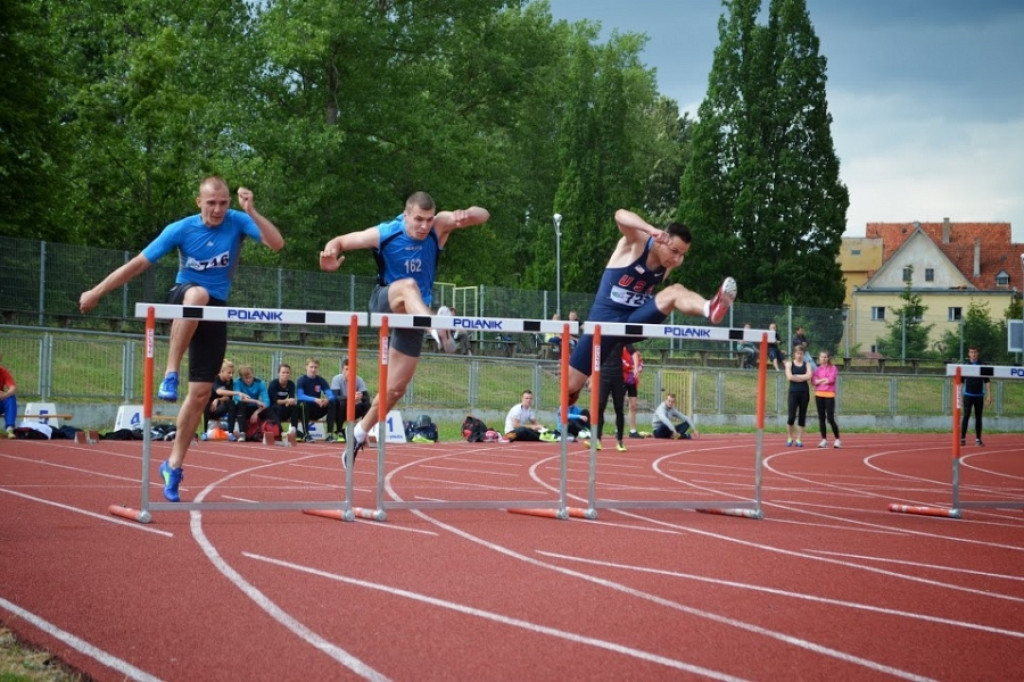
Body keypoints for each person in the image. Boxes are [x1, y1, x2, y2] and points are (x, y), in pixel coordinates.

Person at [79, 178, 284, 501]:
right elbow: (138, 264)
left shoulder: (238, 220)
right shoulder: (181, 229)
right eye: (211, 203)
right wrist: (97, 291)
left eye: (223, 203)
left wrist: (252, 211)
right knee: (198, 294)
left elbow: (277, 244)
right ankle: (170, 372)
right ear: (198, 202)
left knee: (202, 394)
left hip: (216, 310)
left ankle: (173, 465)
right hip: (184, 295)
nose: (217, 210)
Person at [319, 192, 489, 460]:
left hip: (415, 316)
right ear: (405, 215)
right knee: (408, 285)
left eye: (428, 219)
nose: (424, 226)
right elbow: (341, 241)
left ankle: (359, 435)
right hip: (386, 301)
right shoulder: (386, 232)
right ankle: (436, 329)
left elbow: (484, 215)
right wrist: (330, 252)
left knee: (395, 389)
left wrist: (465, 215)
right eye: (418, 220)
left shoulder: (439, 226)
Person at [566, 209, 736, 405]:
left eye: (682, 254)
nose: (676, 259)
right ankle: (565, 419)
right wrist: (649, 228)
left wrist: (674, 256)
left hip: (634, 321)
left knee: (675, 291)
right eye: (674, 251)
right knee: (568, 388)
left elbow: (673, 279)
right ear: (660, 239)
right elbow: (619, 215)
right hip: (603, 325)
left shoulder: (671, 263)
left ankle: (710, 307)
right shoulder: (637, 242)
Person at [596, 340, 629, 452]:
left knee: (619, 408)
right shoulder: (601, 338)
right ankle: (597, 439)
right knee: (600, 406)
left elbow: (633, 350)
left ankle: (620, 441)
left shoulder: (620, 338)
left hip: (617, 377)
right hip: (604, 376)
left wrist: (634, 368)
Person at [329, 357, 371, 440]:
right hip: (340, 410)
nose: (349, 372)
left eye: (351, 369)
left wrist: (360, 397)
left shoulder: (359, 380)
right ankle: (339, 431)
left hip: (353, 409)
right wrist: (351, 398)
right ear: (342, 370)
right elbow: (335, 397)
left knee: (367, 405)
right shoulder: (337, 379)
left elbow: (367, 398)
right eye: (346, 369)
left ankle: (364, 431)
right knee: (342, 403)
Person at [296, 357, 335, 442]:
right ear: (306, 367)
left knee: (332, 403)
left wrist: (327, 400)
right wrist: (315, 399)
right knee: (303, 404)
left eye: (315, 367)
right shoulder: (301, 380)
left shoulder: (321, 380)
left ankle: (329, 434)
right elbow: (300, 396)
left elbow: (331, 395)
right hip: (304, 411)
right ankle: (306, 435)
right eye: (311, 367)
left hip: (317, 409)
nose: (313, 370)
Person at [959, 346, 992, 446]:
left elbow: (987, 381)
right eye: (971, 352)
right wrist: (959, 396)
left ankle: (978, 439)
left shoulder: (983, 365)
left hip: (979, 395)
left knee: (978, 417)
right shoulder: (965, 365)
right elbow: (960, 381)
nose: (973, 354)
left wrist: (989, 395)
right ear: (968, 354)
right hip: (968, 395)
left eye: (975, 352)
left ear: (978, 353)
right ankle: (963, 439)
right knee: (966, 415)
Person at [812, 350, 841, 449]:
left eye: (825, 357)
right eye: (822, 357)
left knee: (830, 418)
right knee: (821, 418)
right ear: (819, 358)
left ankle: (837, 439)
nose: (823, 359)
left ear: (828, 358)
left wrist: (822, 380)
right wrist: (823, 380)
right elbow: (814, 381)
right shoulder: (817, 370)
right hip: (819, 394)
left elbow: (831, 379)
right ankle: (824, 439)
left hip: (829, 395)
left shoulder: (833, 368)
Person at [233, 364, 271, 439]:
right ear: (241, 378)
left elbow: (267, 402)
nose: (248, 380)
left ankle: (277, 432)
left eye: (250, 377)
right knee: (241, 404)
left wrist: (257, 412)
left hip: (254, 409)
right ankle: (242, 433)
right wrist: (255, 401)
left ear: (253, 374)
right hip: (242, 409)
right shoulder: (237, 382)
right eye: (245, 378)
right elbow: (238, 398)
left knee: (269, 410)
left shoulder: (260, 383)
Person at [205, 359, 241, 435]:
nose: (231, 375)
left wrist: (218, 399)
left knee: (231, 403)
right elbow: (219, 391)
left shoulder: (230, 381)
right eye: (229, 373)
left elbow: (228, 397)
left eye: (232, 373)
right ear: (222, 371)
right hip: (209, 408)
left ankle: (230, 433)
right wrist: (238, 393)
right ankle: (204, 432)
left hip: (220, 407)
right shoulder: (215, 379)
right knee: (206, 402)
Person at [784, 346, 811, 447]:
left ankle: (799, 439)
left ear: (803, 354)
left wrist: (796, 377)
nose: (799, 355)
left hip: (804, 392)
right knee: (791, 416)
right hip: (793, 392)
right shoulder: (789, 364)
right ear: (794, 354)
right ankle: (790, 437)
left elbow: (809, 376)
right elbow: (789, 377)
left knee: (802, 416)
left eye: (801, 353)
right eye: (798, 353)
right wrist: (802, 377)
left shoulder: (807, 364)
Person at [267, 363, 300, 435]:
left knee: (295, 407)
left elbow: (291, 398)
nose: (285, 374)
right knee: (278, 407)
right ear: (279, 373)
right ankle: (279, 431)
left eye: (287, 373)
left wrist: (291, 401)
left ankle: (293, 429)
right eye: (283, 373)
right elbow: (276, 401)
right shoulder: (273, 384)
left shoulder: (291, 384)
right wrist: (287, 401)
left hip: (283, 407)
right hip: (272, 409)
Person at [623, 343, 644, 438]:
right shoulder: (622, 351)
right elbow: (623, 365)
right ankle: (617, 429)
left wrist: (635, 369)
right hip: (623, 380)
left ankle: (632, 430)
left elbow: (641, 366)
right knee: (619, 405)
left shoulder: (637, 353)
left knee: (633, 406)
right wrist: (632, 368)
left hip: (633, 382)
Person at [0, 350, 16, 438]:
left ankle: (9, 428)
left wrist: (5, 395)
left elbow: (13, 388)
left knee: (11, 397)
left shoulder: (3, 371)